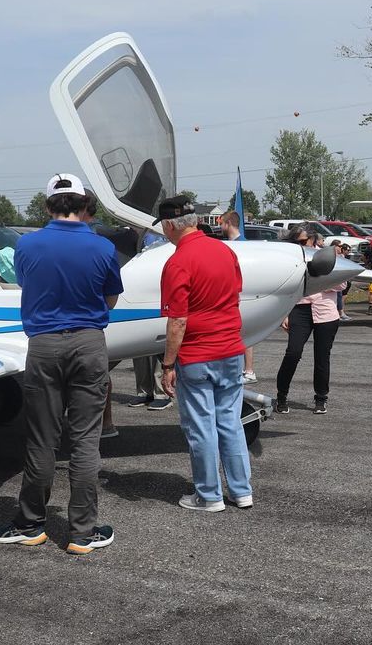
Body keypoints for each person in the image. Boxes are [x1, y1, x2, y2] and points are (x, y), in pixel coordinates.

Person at [0, 173, 123, 554]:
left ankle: (30, 523)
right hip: (89, 342)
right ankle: (82, 532)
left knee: (42, 438)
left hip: (44, 345)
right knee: (85, 440)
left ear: (48, 206)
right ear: (82, 206)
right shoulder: (102, 248)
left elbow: (29, 285)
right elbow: (109, 297)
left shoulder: (27, 245)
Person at [156, 196, 253, 512]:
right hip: (230, 350)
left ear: (170, 226)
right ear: (195, 221)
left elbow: (178, 320)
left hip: (197, 355)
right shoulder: (225, 251)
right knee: (230, 422)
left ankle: (209, 495)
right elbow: (235, 295)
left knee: (201, 427)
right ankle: (241, 491)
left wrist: (167, 364)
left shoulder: (177, 262)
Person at [275, 229, 344, 415]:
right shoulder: (292, 257)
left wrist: (317, 278)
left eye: (302, 241)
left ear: (312, 239)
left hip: (325, 312)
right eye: (296, 241)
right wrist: (284, 314)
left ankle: (321, 398)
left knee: (322, 357)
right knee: (293, 353)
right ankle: (281, 396)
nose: (299, 245)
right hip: (299, 309)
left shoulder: (328, 256)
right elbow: (285, 286)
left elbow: (342, 284)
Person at [219, 211, 258, 383]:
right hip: (231, 296)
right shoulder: (230, 244)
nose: (220, 227)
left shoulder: (242, 246)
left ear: (228, 224)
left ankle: (248, 370)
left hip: (241, 296)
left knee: (244, 334)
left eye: (221, 223)